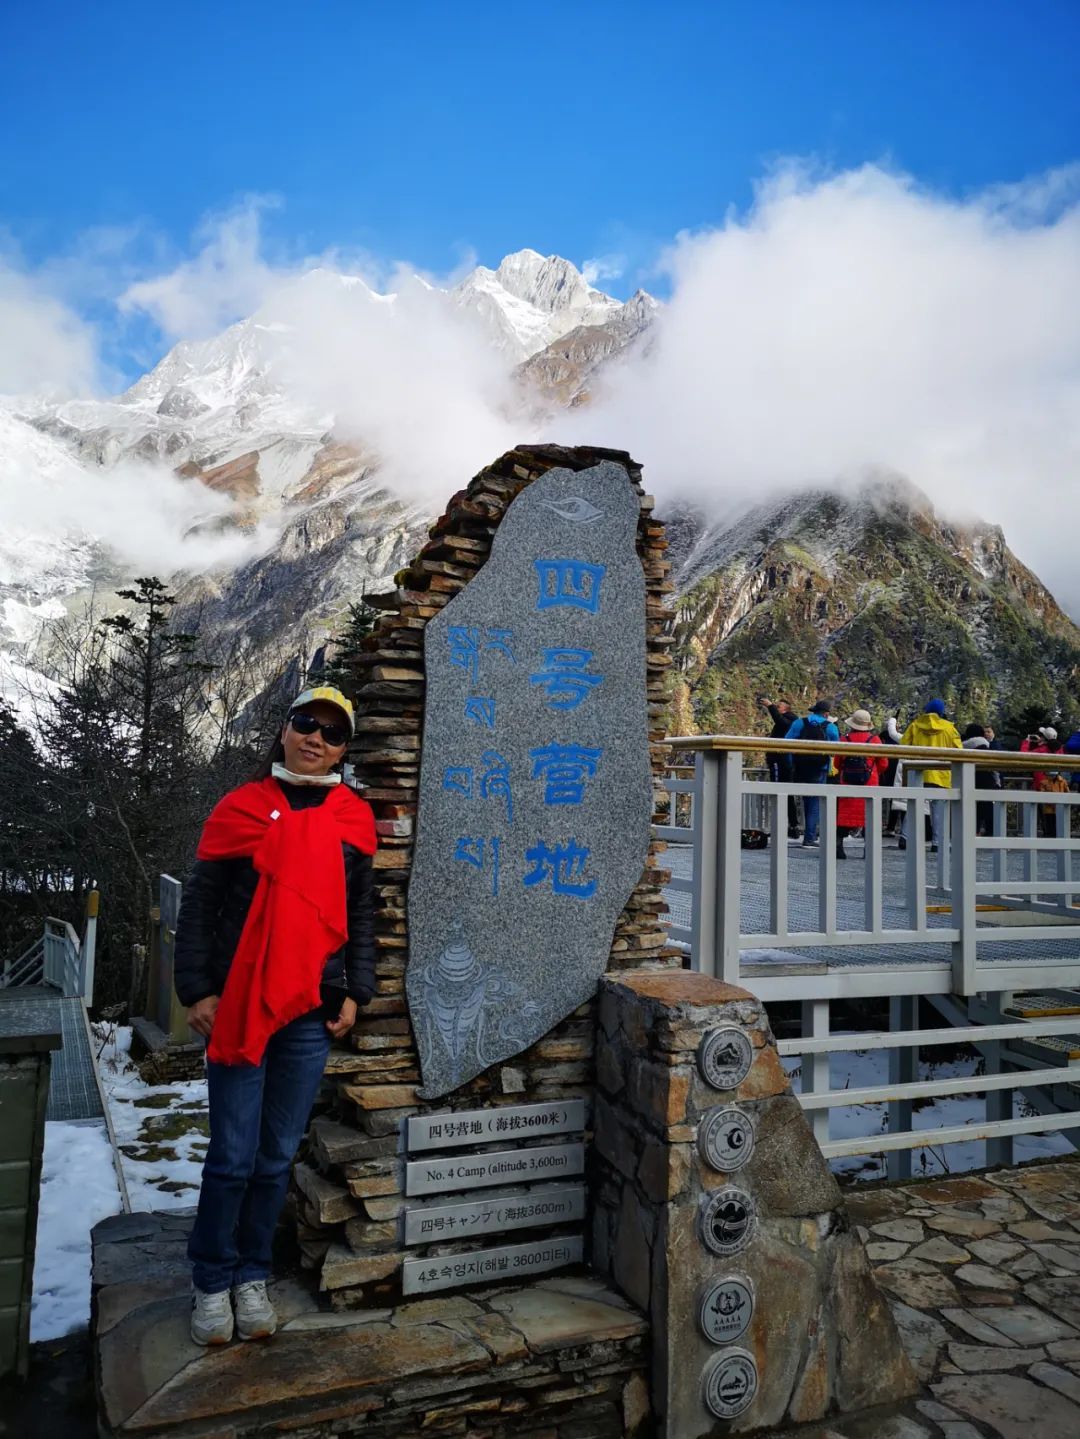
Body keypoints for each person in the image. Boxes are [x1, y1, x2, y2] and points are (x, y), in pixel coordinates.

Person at [174, 686, 377, 1347]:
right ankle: (211, 1280)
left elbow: (360, 916)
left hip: (310, 1010)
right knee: (231, 1155)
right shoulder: (240, 810)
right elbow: (200, 905)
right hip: (239, 1004)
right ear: (285, 731)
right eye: (305, 723)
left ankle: (251, 1275)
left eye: (332, 731)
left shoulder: (352, 820)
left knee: (274, 1156)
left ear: (344, 748)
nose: (315, 737)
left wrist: (355, 991)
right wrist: (196, 991)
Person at [898, 700, 962, 852]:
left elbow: (903, 744)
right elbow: (959, 750)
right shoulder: (949, 728)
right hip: (941, 772)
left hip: (918, 770)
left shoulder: (915, 725)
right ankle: (938, 842)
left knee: (914, 805)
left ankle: (905, 837)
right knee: (939, 809)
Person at [784, 700, 841, 847]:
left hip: (800, 766)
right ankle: (809, 837)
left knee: (805, 799)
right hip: (819, 768)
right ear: (827, 713)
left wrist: (791, 763)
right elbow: (837, 750)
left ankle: (807, 833)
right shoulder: (831, 728)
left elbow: (786, 742)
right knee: (814, 802)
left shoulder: (799, 723)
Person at [835, 710, 886, 858]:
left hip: (848, 784)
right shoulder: (875, 740)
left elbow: (837, 763)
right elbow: (883, 764)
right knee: (869, 817)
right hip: (869, 784)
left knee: (844, 816)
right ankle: (868, 850)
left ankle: (838, 847)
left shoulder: (844, 739)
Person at [760, 696, 801, 837]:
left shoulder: (791, 719)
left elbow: (781, 722)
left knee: (779, 791)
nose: (776, 707)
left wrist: (770, 706)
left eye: (778, 706)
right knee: (785, 793)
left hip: (780, 760)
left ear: (786, 709)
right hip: (783, 761)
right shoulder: (791, 719)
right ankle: (792, 825)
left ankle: (786, 825)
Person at [962, 724, 1001, 836]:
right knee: (988, 808)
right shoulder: (985, 746)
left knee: (971, 809)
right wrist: (997, 781)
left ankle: (972, 832)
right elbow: (992, 766)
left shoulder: (962, 747)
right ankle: (991, 833)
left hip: (968, 780)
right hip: (986, 781)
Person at [879, 714, 903, 836]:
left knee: (890, 801)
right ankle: (901, 828)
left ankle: (890, 827)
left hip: (886, 772)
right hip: (898, 772)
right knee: (900, 801)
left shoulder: (883, 737)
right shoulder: (901, 739)